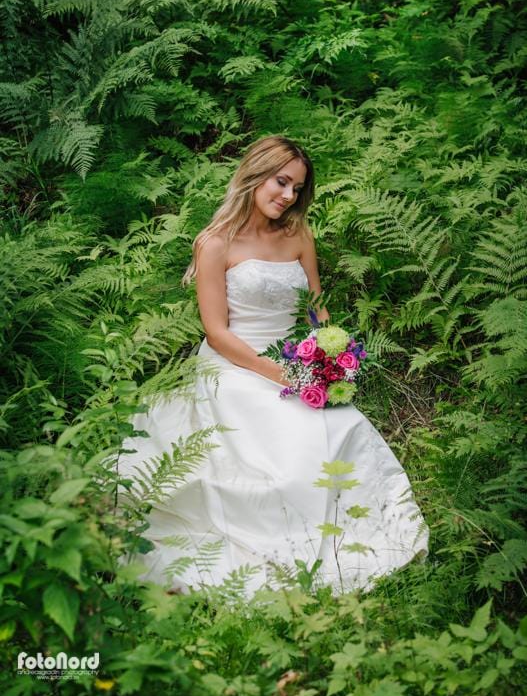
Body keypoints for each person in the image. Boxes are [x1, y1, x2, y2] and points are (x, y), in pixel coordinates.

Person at [117, 134, 429, 597]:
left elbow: (315, 305)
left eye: (297, 188)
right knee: (283, 452)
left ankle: (352, 539)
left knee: (345, 426)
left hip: (297, 358)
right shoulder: (215, 243)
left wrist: (329, 353)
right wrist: (279, 374)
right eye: (281, 182)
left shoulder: (298, 235)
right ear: (255, 174)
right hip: (234, 365)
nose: (288, 196)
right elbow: (217, 332)